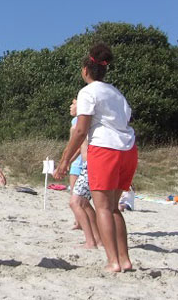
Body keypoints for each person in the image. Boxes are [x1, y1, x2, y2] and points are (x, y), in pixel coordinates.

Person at [55, 43, 138, 273]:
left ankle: (113, 262)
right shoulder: (117, 93)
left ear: (85, 70)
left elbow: (81, 130)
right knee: (114, 208)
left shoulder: (87, 92)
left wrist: (65, 160)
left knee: (102, 207)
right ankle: (125, 260)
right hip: (128, 149)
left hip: (105, 149)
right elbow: (126, 120)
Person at [65, 99, 101, 249]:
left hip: (87, 165)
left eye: (73, 103)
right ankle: (97, 239)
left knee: (77, 201)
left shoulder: (78, 122)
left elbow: (77, 145)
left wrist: (64, 162)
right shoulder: (94, 120)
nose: (70, 106)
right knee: (84, 203)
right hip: (95, 163)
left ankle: (91, 241)